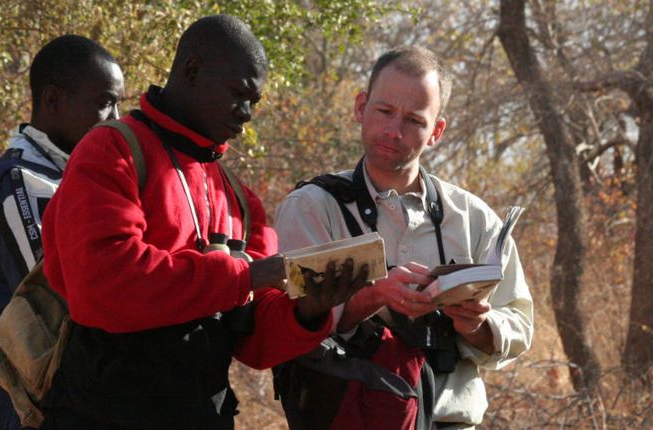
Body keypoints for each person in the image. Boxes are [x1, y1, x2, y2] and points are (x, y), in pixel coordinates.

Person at [35, 15, 369, 429]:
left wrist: (309, 312)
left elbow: (253, 342)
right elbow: (102, 284)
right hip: (102, 412)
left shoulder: (240, 199)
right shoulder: (111, 149)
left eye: (255, 102)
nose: (246, 113)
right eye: (239, 94)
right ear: (192, 70)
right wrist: (241, 276)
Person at [273, 46, 534, 429]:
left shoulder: (474, 218)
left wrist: (477, 326)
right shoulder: (312, 207)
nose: (394, 131)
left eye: (413, 120)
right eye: (384, 112)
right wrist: (372, 296)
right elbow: (290, 321)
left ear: (436, 132)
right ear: (360, 107)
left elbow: (520, 323)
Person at [0, 34, 123, 430]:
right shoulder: (22, 181)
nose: (117, 119)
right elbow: (60, 297)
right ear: (52, 101)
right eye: (105, 102)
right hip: (28, 411)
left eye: (120, 103)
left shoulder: (79, 176)